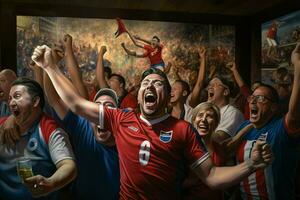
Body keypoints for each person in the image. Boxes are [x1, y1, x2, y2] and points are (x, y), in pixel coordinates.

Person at [32, 45, 272, 199]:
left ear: (167, 96)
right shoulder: (122, 118)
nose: (150, 86)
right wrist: (50, 67)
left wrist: (249, 165)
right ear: (138, 96)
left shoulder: (182, 129)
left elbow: (211, 176)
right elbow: (75, 103)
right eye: (145, 84)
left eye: (158, 84)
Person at [235, 43, 300, 199]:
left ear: (273, 107)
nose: (252, 102)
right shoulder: (244, 127)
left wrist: (297, 64)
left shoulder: (280, 130)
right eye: (252, 98)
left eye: (260, 99)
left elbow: (295, 110)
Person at [44, 67, 120, 199]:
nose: (102, 111)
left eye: (109, 106)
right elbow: (55, 100)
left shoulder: (127, 134)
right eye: (97, 106)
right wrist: (47, 66)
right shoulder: (83, 125)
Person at [0, 77, 76, 200]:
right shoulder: (3, 126)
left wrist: (51, 183)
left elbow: (68, 166)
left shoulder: (49, 129)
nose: (11, 103)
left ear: (35, 101)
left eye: (17, 96)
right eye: (10, 98)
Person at [183, 102, 253, 200]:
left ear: (216, 124)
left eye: (209, 116)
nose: (203, 119)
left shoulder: (220, 149)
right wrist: (193, 180)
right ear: (194, 121)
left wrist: (253, 124)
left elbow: (236, 139)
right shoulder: (183, 148)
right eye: (200, 115)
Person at [169, 46, 206, 123]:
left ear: (184, 93)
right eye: (171, 89)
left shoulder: (189, 108)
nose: (171, 91)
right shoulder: (165, 112)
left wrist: (203, 58)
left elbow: (199, 83)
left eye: (174, 89)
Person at [95, 45, 138, 110]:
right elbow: (100, 78)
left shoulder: (129, 99)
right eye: (109, 80)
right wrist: (101, 54)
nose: (108, 82)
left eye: (112, 80)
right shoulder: (110, 95)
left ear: (121, 84)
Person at [206, 75, 244, 145]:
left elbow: (220, 138)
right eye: (210, 85)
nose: (210, 87)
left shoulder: (233, 113)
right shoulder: (205, 111)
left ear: (225, 92)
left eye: (216, 85)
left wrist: (194, 132)